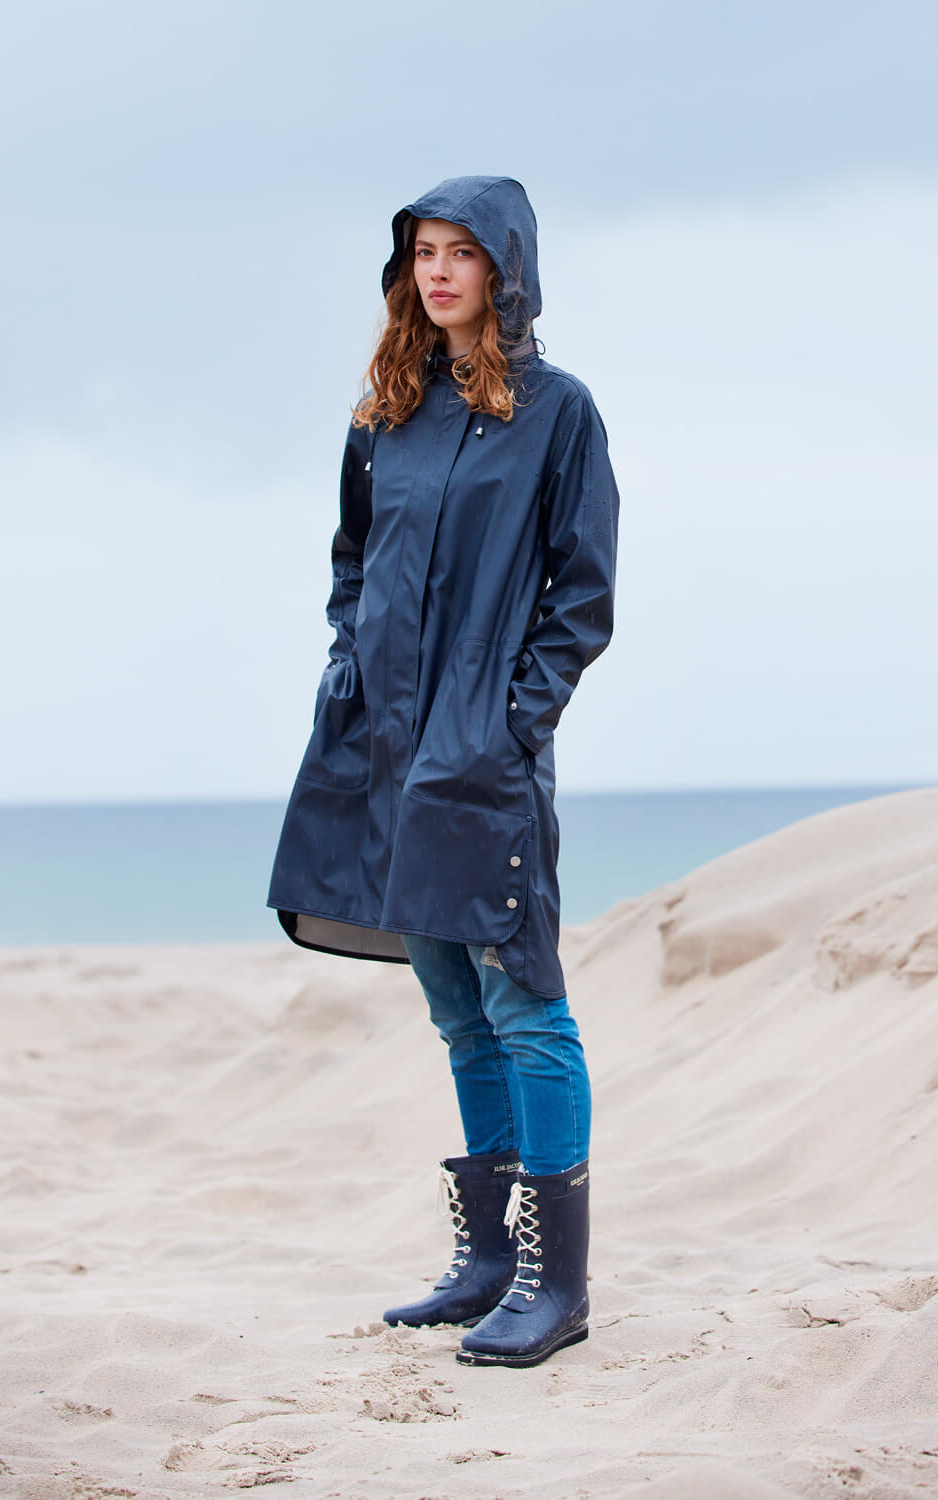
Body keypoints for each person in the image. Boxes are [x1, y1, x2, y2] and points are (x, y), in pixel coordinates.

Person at [267, 175, 619, 1368]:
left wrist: (513, 723)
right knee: (456, 1009)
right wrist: (349, 669)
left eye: (463, 252)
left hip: (485, 760)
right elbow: (352, 565)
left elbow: (583, 593)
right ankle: (487, 1262)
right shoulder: (387, 413)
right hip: (385, 757)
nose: (439, 271)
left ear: (505, 269)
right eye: (424, 251)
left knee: (524, 999)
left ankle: (556, 1283)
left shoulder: (559, 414)